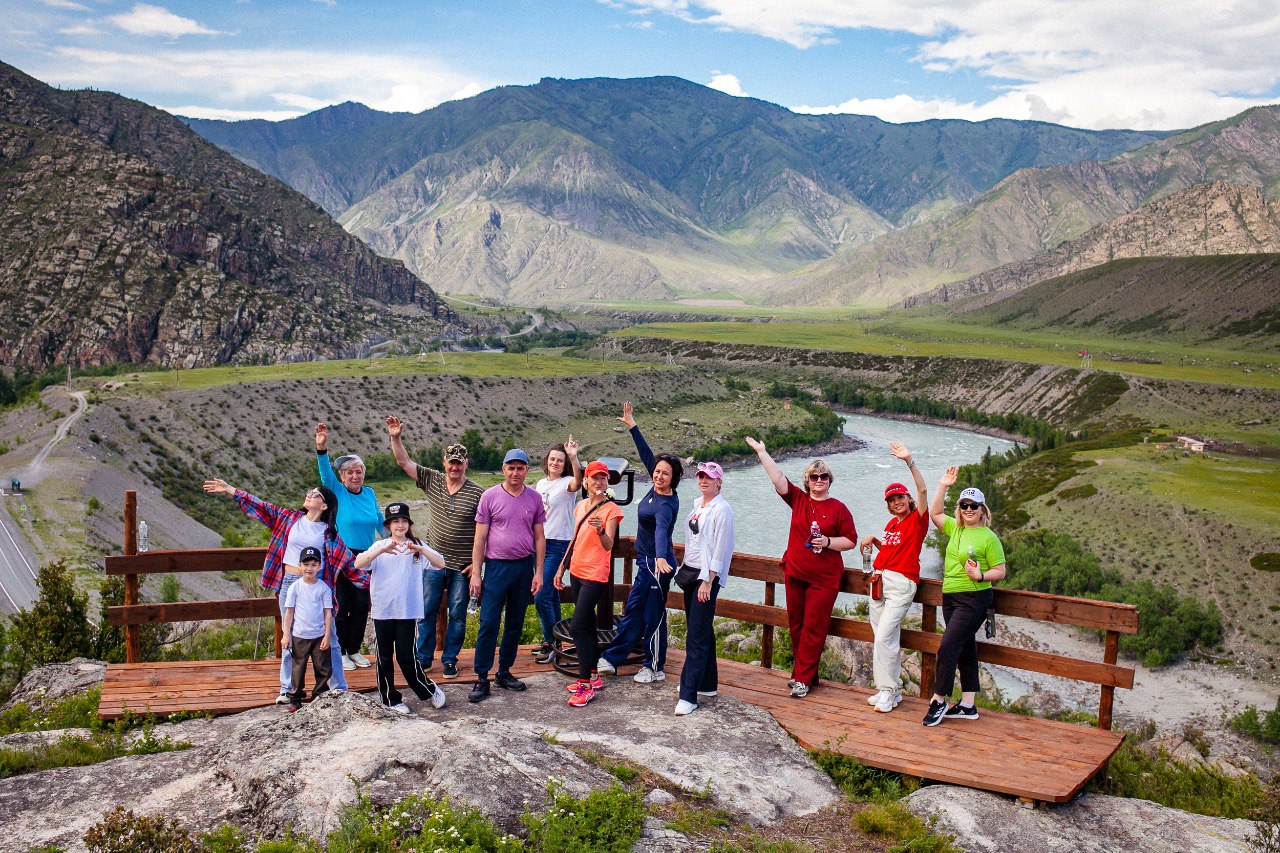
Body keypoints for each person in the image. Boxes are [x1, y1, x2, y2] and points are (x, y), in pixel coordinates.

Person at [202, 478, 363, 700]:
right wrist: (230, 490)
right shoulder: (289, 519)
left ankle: (339, 687)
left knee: (331, 637)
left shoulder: (329, 535)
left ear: (325, 506)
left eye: (315, 494)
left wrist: (379, 579)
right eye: (310, 491)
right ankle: (287, 689)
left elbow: (350, 564)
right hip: (289, 583)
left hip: (317, 587)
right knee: (289, 636)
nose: (309, 495)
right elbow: (261, 506)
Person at [744, 436, 856, 699]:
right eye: (814, 477)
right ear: (808, 480)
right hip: (795, 573)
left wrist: (828, 542)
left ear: (830, 479)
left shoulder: (839, 508)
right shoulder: (798, 500)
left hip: (824, 579)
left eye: (824, 477)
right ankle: (806, 675)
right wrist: (762, 452)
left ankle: (802, 679)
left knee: (815, 627)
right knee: (796, 625)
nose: (819, 481)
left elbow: (850, 540)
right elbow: (778, 478)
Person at [385, 417, 485, 679]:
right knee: (426, 610)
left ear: (466, 465)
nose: (455, 466)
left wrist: (479, 564)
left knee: (459, 615)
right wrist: (396, 437)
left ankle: (450, 659)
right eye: (451, 461)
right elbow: (404, 463)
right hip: (433, 561)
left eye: (459, 462)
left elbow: (487, 532)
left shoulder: (478, 493)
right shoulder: (433, 480)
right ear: (444, 463)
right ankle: (424, 658)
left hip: (463, 565)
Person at [596, 402, 681, 683]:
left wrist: (659, 557)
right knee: (634, 609)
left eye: (664, 474)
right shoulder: (657, 488)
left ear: (674, 479)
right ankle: (612, 657)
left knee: (653, 614)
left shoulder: (666, 504)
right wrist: (633, 426)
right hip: (646, 561)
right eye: (657, 472)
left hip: (659, 563)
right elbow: (647, 455)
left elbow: (662, 530)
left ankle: (654, 666)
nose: (658, 476)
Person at [923, 469, 1007, 726]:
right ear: (959, 508)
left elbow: (1000, 571)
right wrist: (943, 485)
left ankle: (939, 700)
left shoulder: (989, 537)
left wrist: (980, 575)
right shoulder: (956, 529)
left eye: (974, 505)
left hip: (974, 599)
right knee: (965, 647)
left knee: (948, 645)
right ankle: (968, 705)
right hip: (951, 596)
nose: (969, 509)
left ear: (982, 510)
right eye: (964, 505)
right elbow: (935, 513)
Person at [468, 448, 546, 703]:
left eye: (520, 468)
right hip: (496, 568)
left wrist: (539, 572)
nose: (515, 472)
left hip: (523, 568)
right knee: (488, 623)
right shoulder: (489, 496)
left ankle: (504, 672)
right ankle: (482, 677)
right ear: (504, 469)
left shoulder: (534, 498)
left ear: (526, 470)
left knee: (515, 623)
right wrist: (476, 574)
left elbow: (539, 537)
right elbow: (479, 538)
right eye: (510, 467)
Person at [355, 503, 448, 714]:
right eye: (395, 521)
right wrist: (381, 550)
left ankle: (428, 689)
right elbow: (358, 564)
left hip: (407, 610)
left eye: (404, 521)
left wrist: (421, 549)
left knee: (406, 656)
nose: (400, 525)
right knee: (384, 656)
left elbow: (440, 563)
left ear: (408, 523)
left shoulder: (416, 546)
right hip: (383, 609)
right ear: (388, 524)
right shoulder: (380, 546)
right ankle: (390, 698)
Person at [858, 442, 929, 713]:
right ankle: (892, 689)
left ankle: (887, 690)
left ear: (908, 499)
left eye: (900, 497)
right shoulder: (891, 524)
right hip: (879, 582)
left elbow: (923, 489)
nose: (897, 502)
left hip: (901, 584)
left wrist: (909, 460)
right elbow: (892, 550)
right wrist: (875, 540)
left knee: (883, 637)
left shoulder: (917, 520)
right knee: (885, 637)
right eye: (892, 500)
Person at [555, 460, 624, 707]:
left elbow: (609, 545)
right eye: (594, 478)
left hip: (595, 574)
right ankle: (593, 676)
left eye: (603, 478)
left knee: (577, 627)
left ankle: (584, 685)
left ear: (607, 483)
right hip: (577, 570)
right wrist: (562, 567)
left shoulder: (611, 510)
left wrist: (600, 531)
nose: (599, 482)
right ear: (585, 482)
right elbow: (573, 540)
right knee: (587, 628)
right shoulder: (581, 505)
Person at [315, 423, 382, 672]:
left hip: (365, 556)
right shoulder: (338, 492)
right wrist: (321, 448)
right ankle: (340, 650)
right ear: (342, 477)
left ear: (363, 473)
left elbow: (379, 522)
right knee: (342, 605)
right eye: (349, 473)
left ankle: (354, 650)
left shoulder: (370, 493)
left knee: (362, 605)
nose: (354, 476)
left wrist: (398, 541)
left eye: (358, 471)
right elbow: (324, 474)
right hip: (342, 556)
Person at [674, 461, 735, 716]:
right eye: (700, 477)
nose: (703, 481)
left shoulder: (723, 510)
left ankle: (688, 694)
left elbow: (721, 548)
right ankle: (708, 684)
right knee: (701, 628)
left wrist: (708, 581)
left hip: (706, 576)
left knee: (696, 635)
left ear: (719, 481)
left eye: (709, 478)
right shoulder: (698, 504)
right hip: (691, 570)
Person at [532, 438, 583, 663]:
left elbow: (579, 483)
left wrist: (573, 455)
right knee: (551, 595)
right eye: (552, 459)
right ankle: (558, 642)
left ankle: (550, 642)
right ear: (547, 461)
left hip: (558, 544)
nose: (555, 463)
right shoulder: (541, 484)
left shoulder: (568, 482)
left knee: (541, 595)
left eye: (560, 460)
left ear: (565, 464)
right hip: (539, 543)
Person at [281, 547, 333, 711]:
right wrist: (285, 635)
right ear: (299, 566)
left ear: (319, 566)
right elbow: (289, 612)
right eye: (306, 564)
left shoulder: (324, 588)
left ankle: (320, 695)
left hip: (318, 635)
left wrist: (326, 636)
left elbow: (328, 613)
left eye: (313, 564)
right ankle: (295, 697)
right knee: (298, 667)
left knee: (323, 667)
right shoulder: (295, 587)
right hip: (300, 635)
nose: (309, 568)